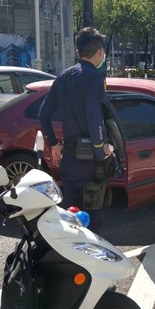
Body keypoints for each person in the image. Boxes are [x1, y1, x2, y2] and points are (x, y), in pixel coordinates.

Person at [38, 27, 113, 229]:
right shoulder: (95, 78)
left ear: (78, 52)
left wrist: (53, 143)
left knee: (71, 219)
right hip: (90, 164)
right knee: (92, 219)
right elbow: (94, 117)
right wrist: (101, 149)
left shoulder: (63, 76)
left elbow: (43, 114)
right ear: (100, 52)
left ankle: (70, 257)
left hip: (68, 160)